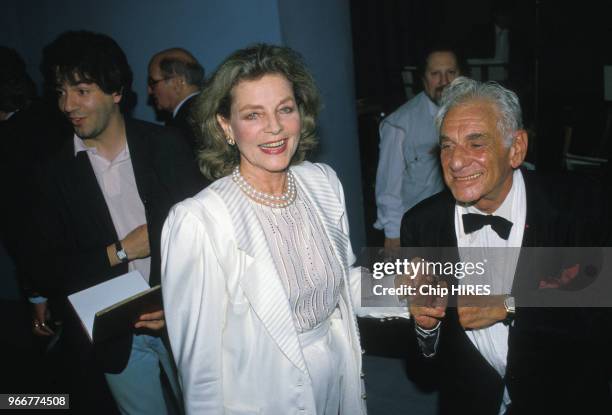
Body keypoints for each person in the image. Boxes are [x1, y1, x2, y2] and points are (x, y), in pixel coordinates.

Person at [161, 43, 409, 414]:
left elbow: (341, 285)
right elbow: (201, 373)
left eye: (285, 109)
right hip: (263, 399)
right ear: (226, 125)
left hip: (339, 379)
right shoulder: (198, 221)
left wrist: (409, 288)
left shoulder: (322, 182)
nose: (274, 128)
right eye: (253, 115)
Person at [400, 77, 612, 414]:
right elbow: (425, 366)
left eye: (475, 143)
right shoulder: (421, 225)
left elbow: (600, 309)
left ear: (516, 149)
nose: (456, 162)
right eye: (447, 145)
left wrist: (512, 304)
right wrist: (427, 328)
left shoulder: (578, 208)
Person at [33, 31, 204, 414]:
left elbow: (206, 238)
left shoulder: (167, 147)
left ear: (115, 91)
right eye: (61, 92)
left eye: (81, 90)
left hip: (182, 318)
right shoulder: (54, 173)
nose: (67, 105)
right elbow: (52, 268)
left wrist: (181, 302)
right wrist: (121, 251)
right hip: (114, 332)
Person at [374, 46, 464, 249]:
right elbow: (388, 186)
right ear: (423, 79)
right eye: (435, 74)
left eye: (451, 73)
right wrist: (393, 233)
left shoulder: (471, 115)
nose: (444, 82)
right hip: (419, 228)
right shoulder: (399, 124)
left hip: (460, 221)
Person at [148, 47, 204, 153]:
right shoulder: (213, 113)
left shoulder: (177, 130)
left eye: (153, 83)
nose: (149, 91)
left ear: (177, 83)